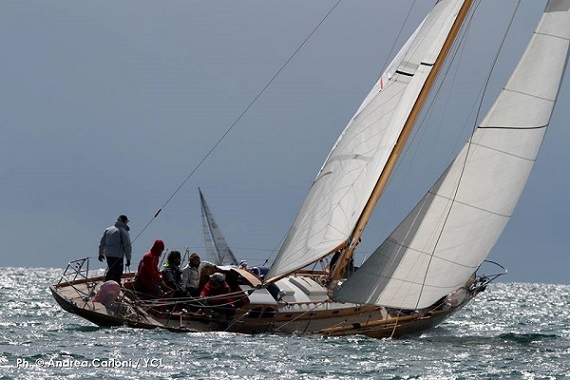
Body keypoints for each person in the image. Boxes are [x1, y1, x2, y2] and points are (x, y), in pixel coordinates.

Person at [98, 214, 132, 285]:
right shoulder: (123, 231)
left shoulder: (108, 229)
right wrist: (128, 259)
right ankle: (116, 285)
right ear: (124, 222)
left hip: (108, 254)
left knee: (111, 269)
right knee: (117, 272)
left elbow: (102, 243)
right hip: (118, 255)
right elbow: (127, 246)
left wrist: (101, 254)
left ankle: (106, 284)